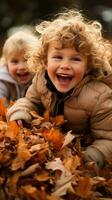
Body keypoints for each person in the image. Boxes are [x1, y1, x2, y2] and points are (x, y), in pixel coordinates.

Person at [7, 9, 112, 168]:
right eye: (57, 57)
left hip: (82, 150)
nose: (65, 65)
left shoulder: (99, 96)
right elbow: (30, 101)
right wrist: (21, 112)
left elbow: (108, 138)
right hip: (53, 145)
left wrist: (95, 154)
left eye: (75, 59)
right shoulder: (41, 80)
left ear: (88, 66)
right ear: (45, 61)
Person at [0, 30, 38, 106]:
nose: (21, 67)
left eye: (27, 60)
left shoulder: (40, 80)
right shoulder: (2, 82)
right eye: (14, 62)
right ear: (6, 63)